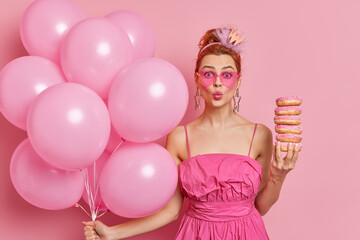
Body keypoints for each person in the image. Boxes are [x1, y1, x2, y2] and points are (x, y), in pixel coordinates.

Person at [83, 26, 300, 240]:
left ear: (238, 81)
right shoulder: (179, 138)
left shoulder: (260, 135)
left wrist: (279, 177)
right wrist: (112, 233)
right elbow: (171, 211)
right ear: (197, 79)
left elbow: (260, 207)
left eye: (227, 74)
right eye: (208, 74)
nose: (217, 82)